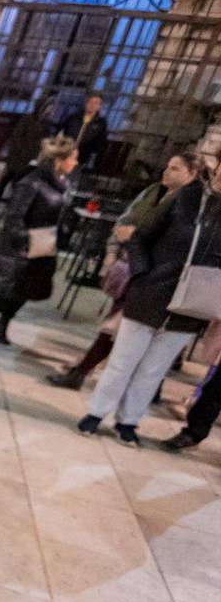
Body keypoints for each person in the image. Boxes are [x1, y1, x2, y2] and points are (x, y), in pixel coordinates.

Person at [79, 156, 221, 445]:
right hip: (152, 290)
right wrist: (143, 273)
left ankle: (129, 421)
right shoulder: (188, 197)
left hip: (192, 302)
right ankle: (96, 413)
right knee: (123, 359)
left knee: (154, 369)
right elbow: (142, 236)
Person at [49, 152, 200, 390]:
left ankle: (82, 372)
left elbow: (171, 242)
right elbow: (126, 221)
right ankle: (84, 370)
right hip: (131, 269)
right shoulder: (154, 192)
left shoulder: (191, 206)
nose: (166, 172)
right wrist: (114, 250)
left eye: (175, 169)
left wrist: (135, 238)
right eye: (168, 166)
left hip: (156, 278)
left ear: (192, 174)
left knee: (117, 329)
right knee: (115, 328)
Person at [0, 135, 76, 352]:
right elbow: (15, 216)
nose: (75, 163)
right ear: (59, 160)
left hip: (45, 244)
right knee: (4, 291)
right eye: (73, 158)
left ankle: (3, 324)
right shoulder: (32, 181)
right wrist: (25, 239)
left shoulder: (64, 184)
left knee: (27, 290)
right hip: (20, 246)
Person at [0, 97, 55, 206]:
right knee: (8, 178)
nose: (50, 110)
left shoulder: (47, 123)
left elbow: (46, 141)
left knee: (19, 181)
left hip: (32, 156)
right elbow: (17, 135)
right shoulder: (28, 118)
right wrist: (17, 150)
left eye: (51, 108)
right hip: (18, 155)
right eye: (49, 107)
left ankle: (11, 203)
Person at [62, 93, 108, 174]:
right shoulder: (73, 118)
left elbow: (100, 141)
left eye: (96, 103)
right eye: (90, 102)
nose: (92, 105)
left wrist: (91, 154)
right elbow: (63, 131)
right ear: (86, 103)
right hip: (65, 153)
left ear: (99, 107)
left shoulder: (101, 123)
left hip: (83, 157)